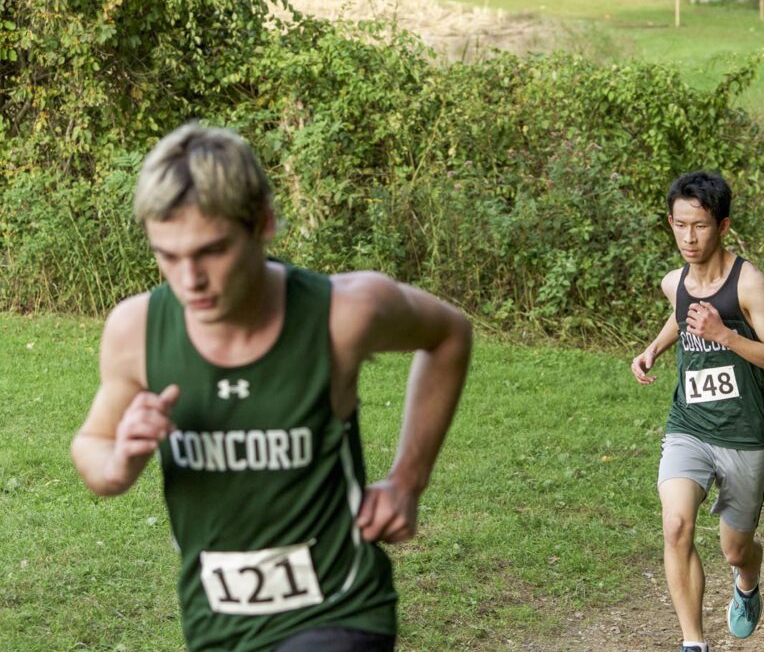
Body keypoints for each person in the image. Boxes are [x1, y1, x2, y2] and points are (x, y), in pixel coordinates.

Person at [69, 124, 472, 651]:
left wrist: (407, 481)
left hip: (341, 605)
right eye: (167, 255)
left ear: (263, 224)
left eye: (211, 251)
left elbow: (448, 334)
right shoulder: (136, 330)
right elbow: (92, 444)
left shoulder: (344, 313)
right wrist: (120, 460)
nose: (189, 279)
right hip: (217, 623)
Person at [631, 172, 764, 652]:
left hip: (744, 434)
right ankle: (693, 644)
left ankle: (748, 579)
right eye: (680, 225)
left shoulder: (749, 283)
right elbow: (682, 314)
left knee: (733, 549)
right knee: (676, 524)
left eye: (699, 226)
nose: (688, 238)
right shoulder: (673, 282)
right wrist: (654, 348)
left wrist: (725, 336)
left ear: (722, 226)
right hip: (690, 426)